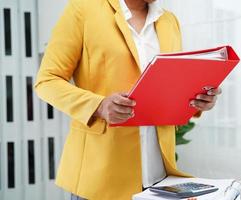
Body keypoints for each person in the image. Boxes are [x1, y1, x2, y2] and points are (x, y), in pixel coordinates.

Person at [34, 0, 222, 199]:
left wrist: (197, 100)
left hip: (159, 178)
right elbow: (47, 81)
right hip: (101, 177)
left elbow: (168, 85)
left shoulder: (169, 21)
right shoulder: (83, 8)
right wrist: (98, 105)